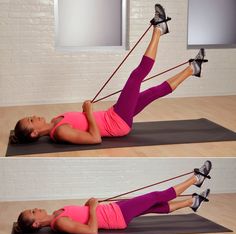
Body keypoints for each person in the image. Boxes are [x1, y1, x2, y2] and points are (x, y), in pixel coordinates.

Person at [10, 4, 208, 145]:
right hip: (117, 123)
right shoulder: (59, 132)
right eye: (30, 120)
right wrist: (87, 111)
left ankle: (192, 69)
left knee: (153, 92)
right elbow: (95, 139)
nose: (34, 116)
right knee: (136, 76)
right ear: (35, 133)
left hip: (113, 114)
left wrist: (88, 112)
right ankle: (159, 29)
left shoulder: (55, 120)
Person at [14, 161, 212, 234]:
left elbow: (82, 215)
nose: (36, 208)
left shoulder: (58, 214)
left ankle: (192, 202)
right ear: (36, 224)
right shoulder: (59, 223)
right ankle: (196, 178)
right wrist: (92, 207)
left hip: (113, 211)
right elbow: (91, 230)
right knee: (154, 196)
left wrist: (88, 206)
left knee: (154, 206)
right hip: (115, 216)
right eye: (33, 212)